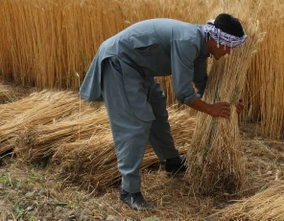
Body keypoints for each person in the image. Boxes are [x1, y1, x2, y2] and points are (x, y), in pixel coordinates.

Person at [79, 13, 247, 211]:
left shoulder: (201, 46)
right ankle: (129, 191)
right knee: (136, 123)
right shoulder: (189, 41)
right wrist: (211, 109)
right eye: (229, 46)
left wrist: (229, 103)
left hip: (139, 68)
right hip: (119, 62)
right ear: (218, 41)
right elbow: (183, 93)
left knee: (157, 107)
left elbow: (203, 84)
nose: (229, 52)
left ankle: (171, 161)